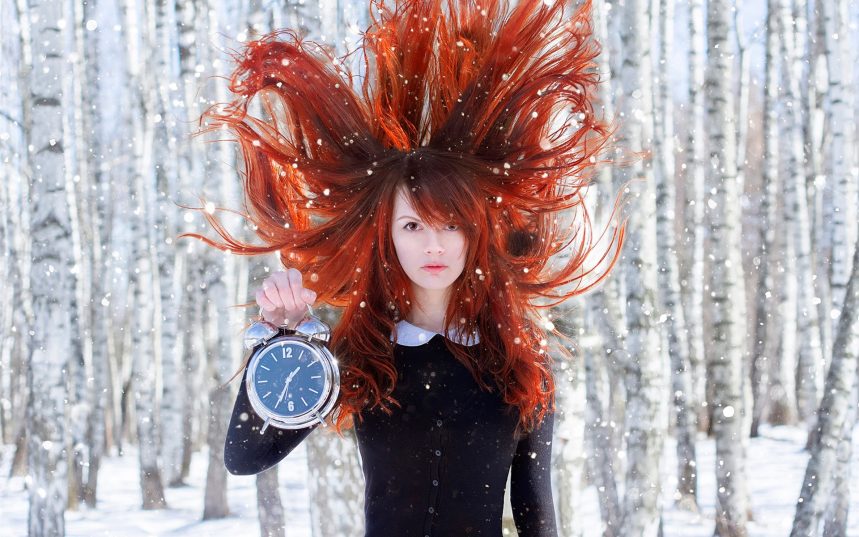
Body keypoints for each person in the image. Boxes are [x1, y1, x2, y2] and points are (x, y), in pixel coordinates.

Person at [185, 0, 627, 534]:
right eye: (413, 225)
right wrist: (279, 344)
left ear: (476, 234)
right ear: (388, 237)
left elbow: (537, 512)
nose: (433, 246)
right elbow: (245, 455)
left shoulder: (520, 363)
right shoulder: (357, 354)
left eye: (451, 225)